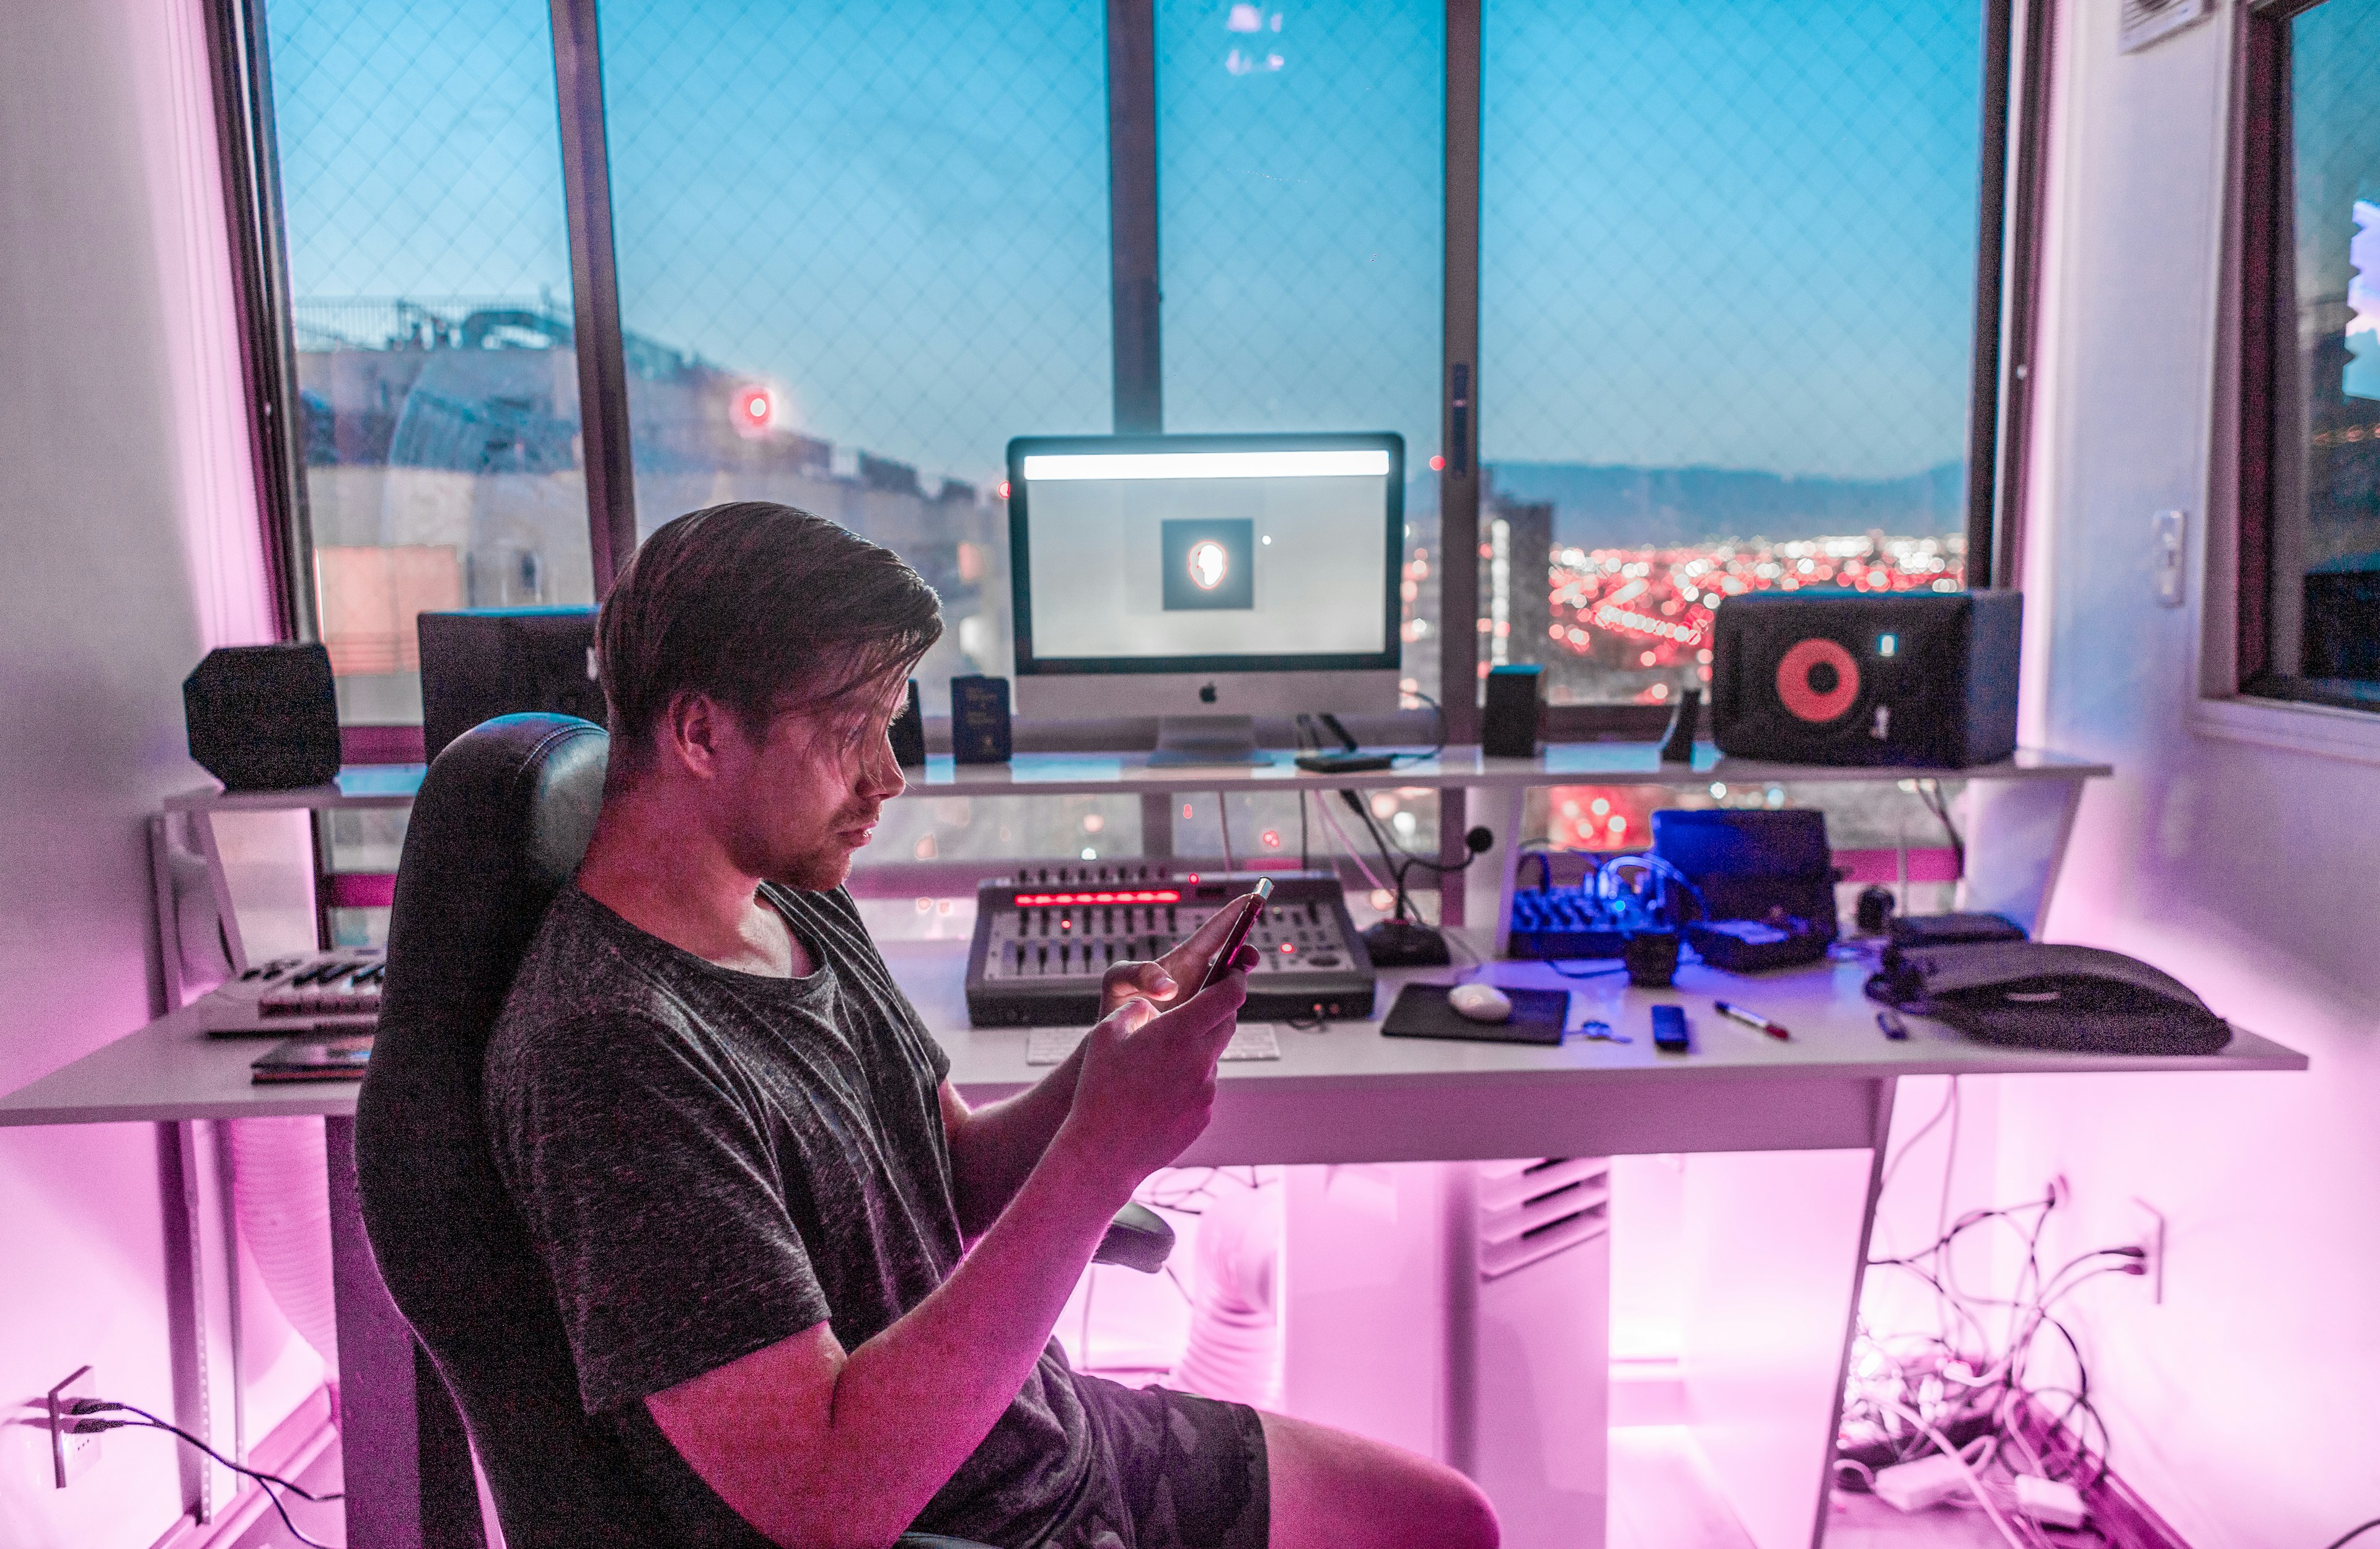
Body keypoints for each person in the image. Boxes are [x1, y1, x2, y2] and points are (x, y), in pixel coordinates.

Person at [483, 502, 1499, 1549]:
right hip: (977, 1520)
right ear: (700, 733)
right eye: (849, 733)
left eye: (891, 722)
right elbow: (828, 1499)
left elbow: (952, 1172)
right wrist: (1101, 1160)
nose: (890, 776)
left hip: (1034, 1436)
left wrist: (1097, 1077)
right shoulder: (611, 1056)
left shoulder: (790, 893)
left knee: (1449, 1523)